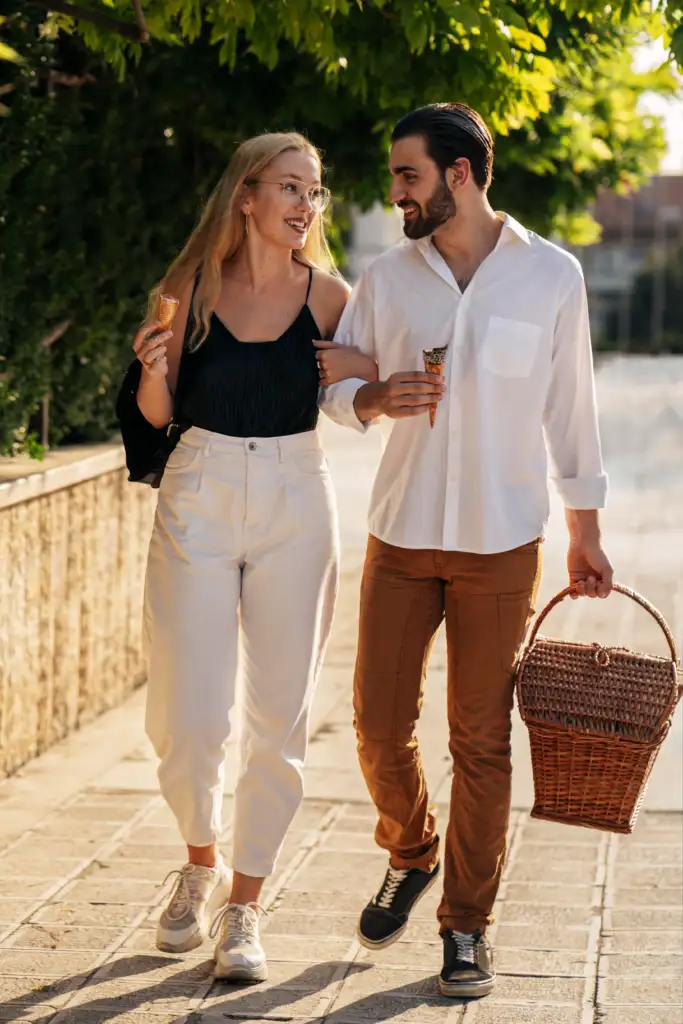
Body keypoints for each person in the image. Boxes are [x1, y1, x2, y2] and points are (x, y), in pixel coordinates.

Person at [321, 103, 614, 999]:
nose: (392, 191)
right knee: (376, 725)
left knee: (481, 741)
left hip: (501, 539)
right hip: (401, 530)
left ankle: (465, 929)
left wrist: (584, 529)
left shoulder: (550, 276)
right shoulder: (386, 276)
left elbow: (571, 407)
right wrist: (374, 399)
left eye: (406, 175)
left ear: (458, 174)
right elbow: (334, 383)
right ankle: (411, 851)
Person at [132, 132, 377, 983]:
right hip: (197, 489)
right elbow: (153, 421)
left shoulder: (332, 297)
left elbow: (359, 393)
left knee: (279, 717)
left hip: (295, 499)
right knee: (187, 714)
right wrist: (151, 372)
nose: (307, 204)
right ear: (246, 196)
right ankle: (197, 863)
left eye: (315, 189)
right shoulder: (187, 288)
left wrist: (362, 372)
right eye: (289, 187)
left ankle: (244, 904)